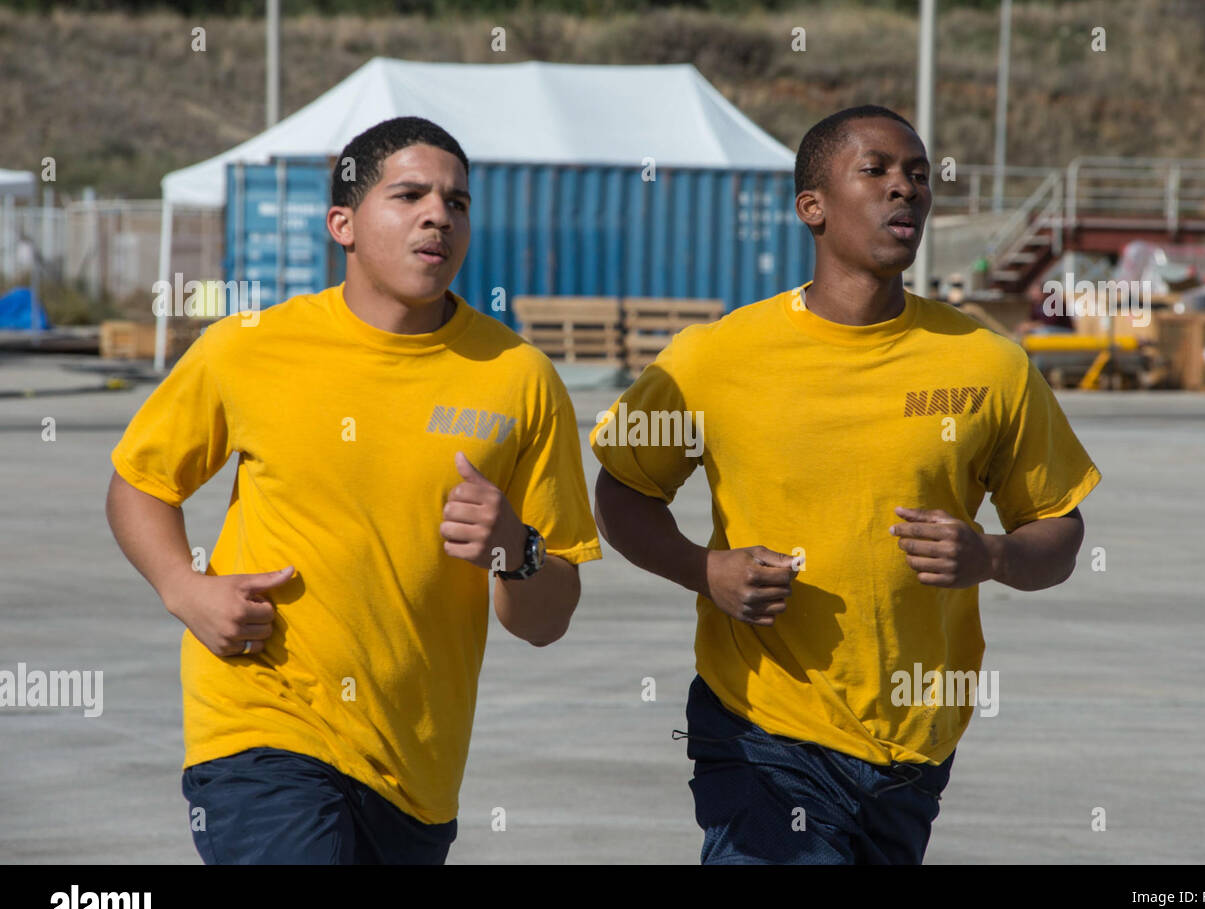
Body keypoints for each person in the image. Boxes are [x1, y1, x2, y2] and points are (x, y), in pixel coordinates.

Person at [589, 105, 1100, 865]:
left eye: (920, 176)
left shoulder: (987, 364)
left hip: (914, 753)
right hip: (762, 733)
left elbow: (1059, 530)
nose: (907, 190)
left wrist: (990, 556)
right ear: (813, 207)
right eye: (879, 171)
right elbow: (622, 489)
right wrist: (706, 568)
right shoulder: (716, 358)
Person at [105, 116, 601, 864]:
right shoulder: (250, 347)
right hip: (262, 729)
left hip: (415, 773)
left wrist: (512, 547)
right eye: (409, 195)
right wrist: (185, 587)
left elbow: (546, 617)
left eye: (457, 202)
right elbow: (138, 482)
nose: (439, 214)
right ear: (343, 222)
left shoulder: (519, 378)